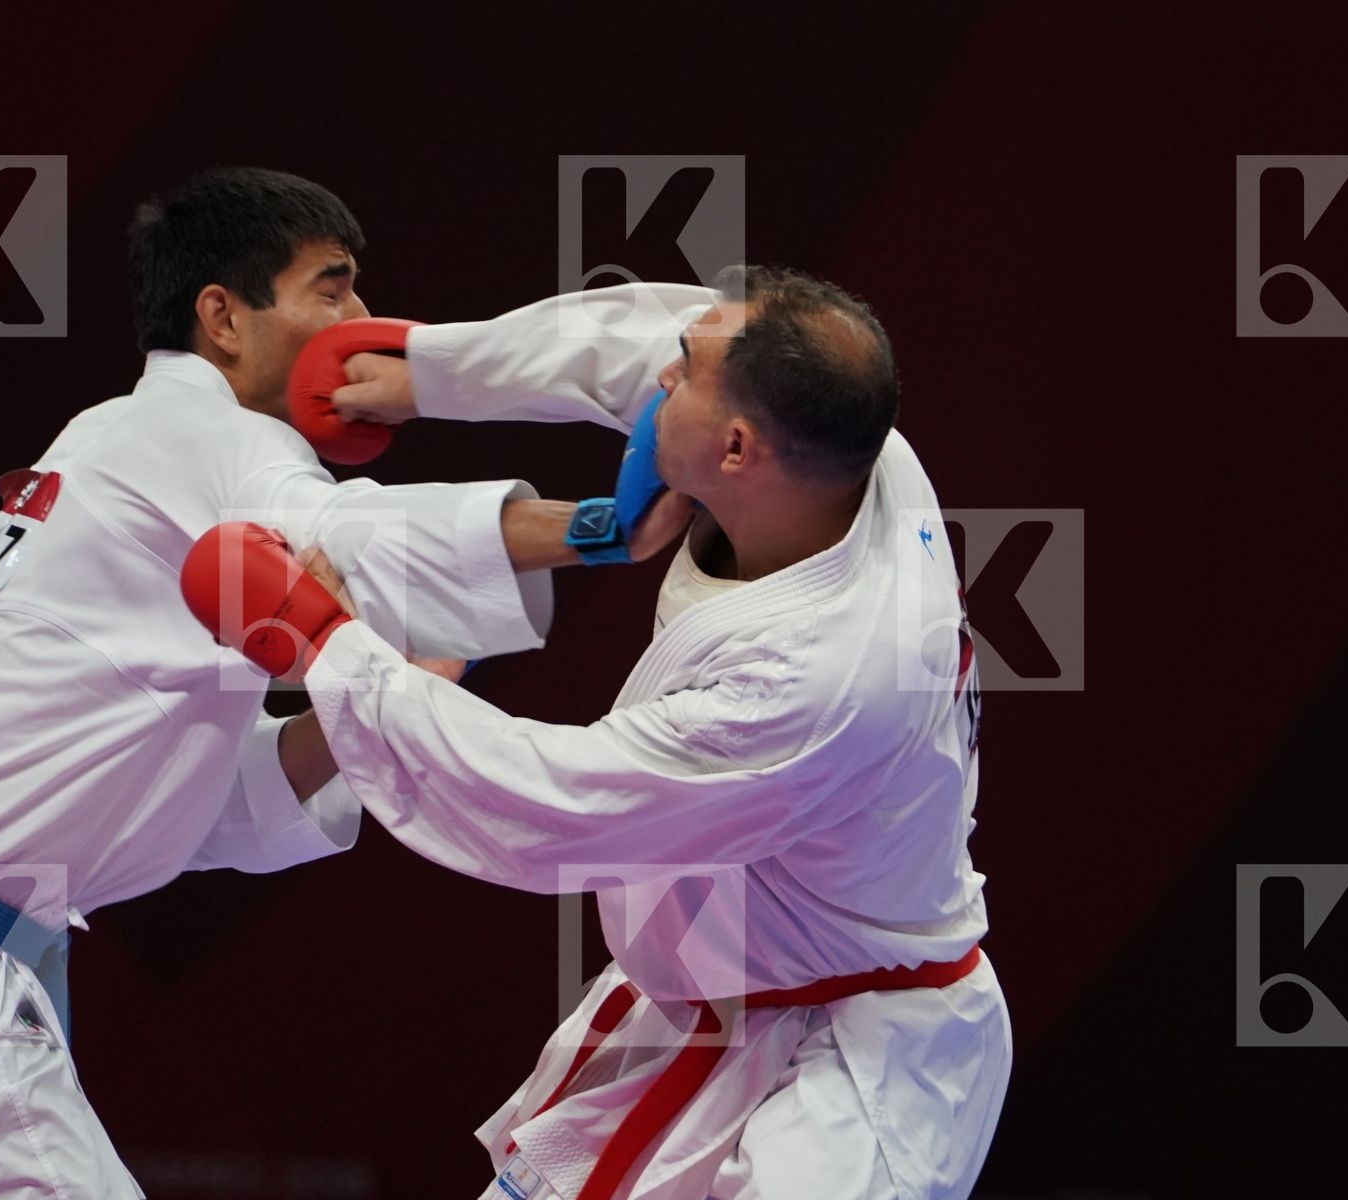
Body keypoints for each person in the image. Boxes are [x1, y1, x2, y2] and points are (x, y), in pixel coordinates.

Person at [0, 167, 677, 1200]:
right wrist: (597, 530)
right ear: (222, 318)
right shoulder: (201, 435)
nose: (361, 320)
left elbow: (197, 809)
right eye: (331, 288)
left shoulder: (124, 444)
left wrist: (358, 696)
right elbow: (346, 534)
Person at [197, 268, 1012, 1198]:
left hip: (849, 1069)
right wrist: (429, 369)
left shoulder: (817, 677)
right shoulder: (847, 455)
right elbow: (636, 337)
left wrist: (333, 649)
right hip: (722, 995)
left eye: (685, 373)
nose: (660, 377)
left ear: (737, 450)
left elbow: (554, 801)